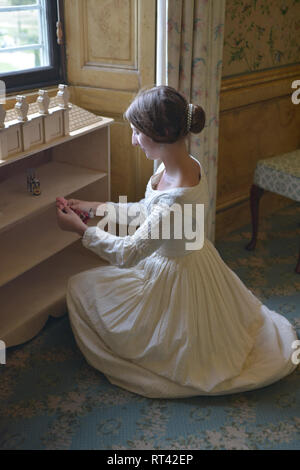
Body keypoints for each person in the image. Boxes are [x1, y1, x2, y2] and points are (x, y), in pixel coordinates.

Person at [56, 85, 298, 398]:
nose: (132, 140)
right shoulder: (182, 164)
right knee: (89, 287)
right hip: (191, 259)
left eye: (136, 132)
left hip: (177, 274)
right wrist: (91, 207)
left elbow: (129, 253)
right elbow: (145, 211)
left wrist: (80, 230)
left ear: (163, 132)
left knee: (79, 287)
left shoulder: (175, 198)